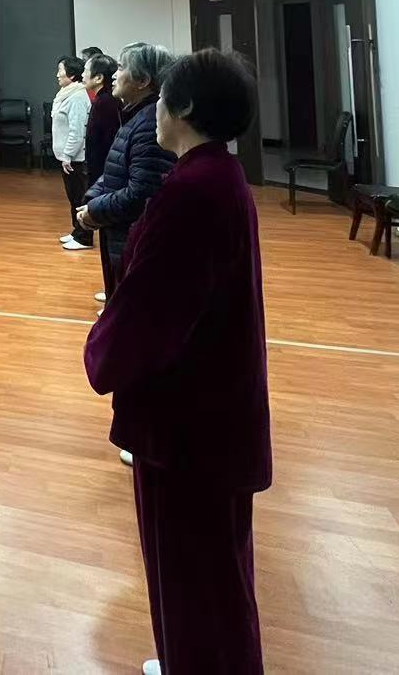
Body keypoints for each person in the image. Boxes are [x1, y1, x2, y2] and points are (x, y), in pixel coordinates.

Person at [83, 49, 269, 674]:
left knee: (194, 569)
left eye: (163, 97)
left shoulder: (191, 193)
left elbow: (152, 311)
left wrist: (101, 349)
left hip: (190, 420)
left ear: (183, 107)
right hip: (212, 408)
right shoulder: (218, 176)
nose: (156, 107)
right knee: (209, 567)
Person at [78, 42, 177, 297]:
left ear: (143, 81)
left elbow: (142, 192)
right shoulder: (136, 115)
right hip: (119, 230)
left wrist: (96, 210)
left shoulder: (150, 125)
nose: (114, 74)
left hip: (133, 237)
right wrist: (93, 198)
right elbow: (116, 168)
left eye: (121, 67)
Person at [83, 53, 124, 303]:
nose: (83, 75)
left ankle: (113, 296)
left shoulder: (105, 103)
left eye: (86, 70)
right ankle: (111, 291)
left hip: (106, 179)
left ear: (99, 77)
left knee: (111, 243)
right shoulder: (104, 100)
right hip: (103, 178)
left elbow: (105, 146)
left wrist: (99, 183)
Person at [51, 55, 94, 249]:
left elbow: (77, 131)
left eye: (60, 70)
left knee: (79, 197)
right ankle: (77, 231)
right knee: (73, 197)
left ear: (72, 74)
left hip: (75, 157)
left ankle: (84, 238)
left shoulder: (77, 97)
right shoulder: (66, 94)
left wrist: (68, 155)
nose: (57, 74)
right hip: (67, 157)